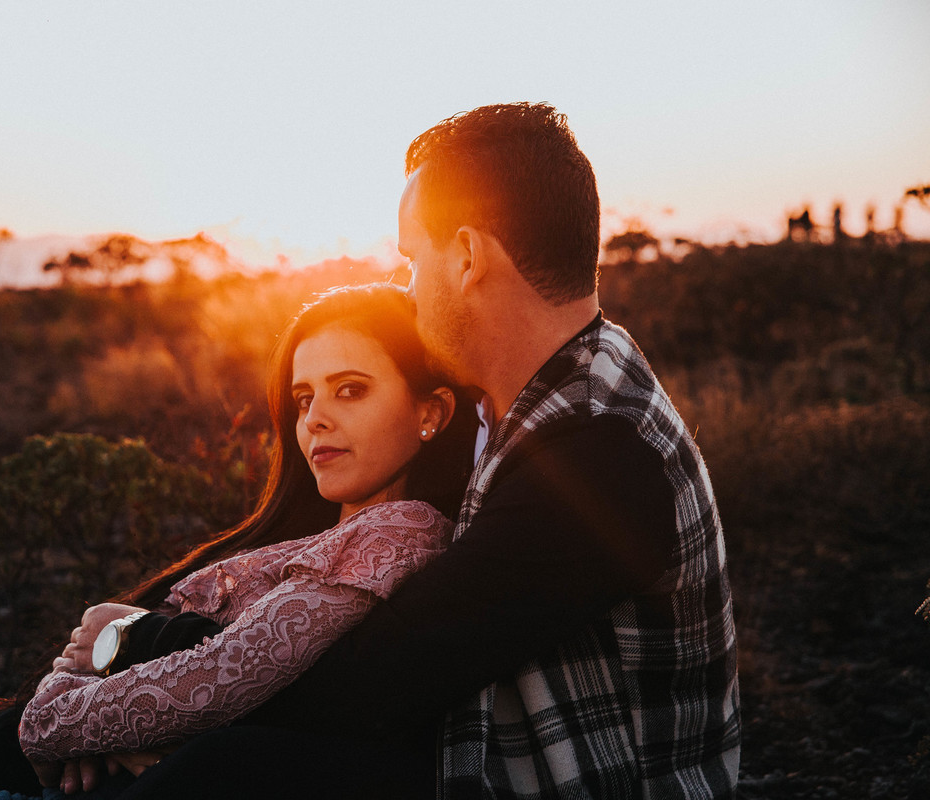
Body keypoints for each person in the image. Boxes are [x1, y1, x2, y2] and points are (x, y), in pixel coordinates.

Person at [0, 283, 477, 800]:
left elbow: (225, 675)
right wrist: (86, 694)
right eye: (303, 397)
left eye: (351, 389)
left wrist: (56, 719)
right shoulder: (318, 534)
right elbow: (132, 662)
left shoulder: (398, 533)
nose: (314, 419)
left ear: (431, 413)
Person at [233, 102, 742, 798]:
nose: (408, 290)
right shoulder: (559, 385)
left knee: (226, 767)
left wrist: (145, 662)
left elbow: (380, 676)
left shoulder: (597, 455)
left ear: (468, 258)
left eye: (413, 261)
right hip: (498, 761)